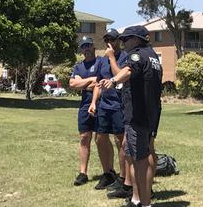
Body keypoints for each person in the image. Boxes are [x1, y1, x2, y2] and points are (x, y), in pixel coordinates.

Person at [99, 26, 162, 207]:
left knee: (140, 159)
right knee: (140, 152)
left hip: (137, 114)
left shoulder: (136, 55)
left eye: (126, 39)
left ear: (136, 39)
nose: (123, 43)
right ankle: (137, 198)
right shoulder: (153, 56)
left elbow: (127, 71)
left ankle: (144, 202)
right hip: (150, 114)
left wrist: (112, 80)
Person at [88, 29, 130, 195]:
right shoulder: (102, 61)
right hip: (104, 105)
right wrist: (94, 102)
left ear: (119, 41)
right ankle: (108, 173)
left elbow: (120, 75)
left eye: (112, 39)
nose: (109, 43)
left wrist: (112, 57)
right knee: (100, 138)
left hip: (119, 105)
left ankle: (123, 177)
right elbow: (98, 83)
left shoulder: (124, 57)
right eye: (106, 40)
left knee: (120, 141)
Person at [68, 36, 102, 186]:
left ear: (93, 47)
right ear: (81, 50)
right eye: (83, 46)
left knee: (101, 139)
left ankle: (108, 172)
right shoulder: (78, 66)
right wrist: (91, 81)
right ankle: (83, 173)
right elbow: (72, 84)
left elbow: (100, 82)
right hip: (84, 105)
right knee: (84, 138)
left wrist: (83, 82)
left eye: (88, 45)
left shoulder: (101, 62)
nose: (86, 49)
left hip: (101, 103)